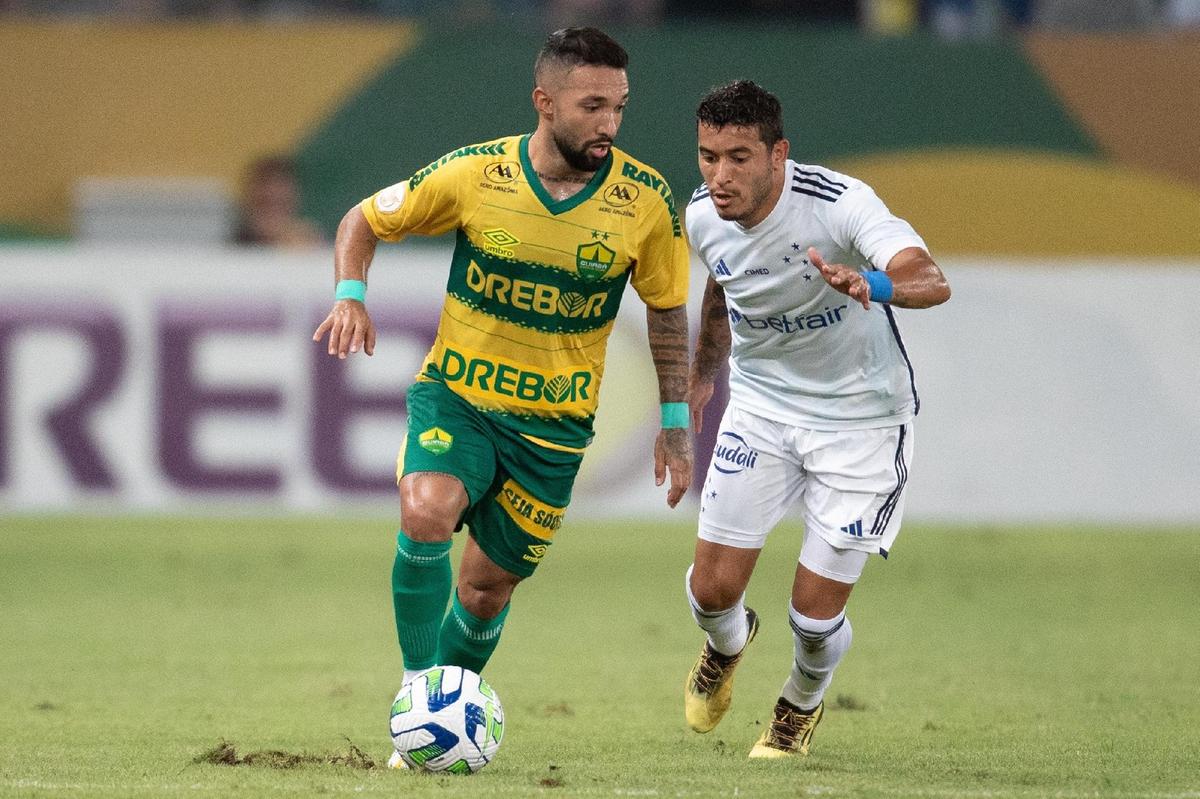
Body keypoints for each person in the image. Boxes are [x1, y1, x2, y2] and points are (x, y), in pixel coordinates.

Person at [311, 26, 693, 762]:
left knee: (486, 590)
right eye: (592, 106)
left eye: (619, 107)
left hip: (552, 432)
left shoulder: (645, 200)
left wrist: (674, 418)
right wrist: (351, 292)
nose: (609, 124)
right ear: (544, 102)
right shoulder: (475, 174)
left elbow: (667, 307)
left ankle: (433, 719)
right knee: (425, 510)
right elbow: (363, 218)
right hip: (459, 396)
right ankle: (419, 696)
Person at [680, 80, 950, 759]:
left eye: (739, 157)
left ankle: (798, 703)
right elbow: (723, 281)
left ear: (780, 154)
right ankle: (728, 644)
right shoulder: (702, 215)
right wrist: (702, 378)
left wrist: (875, 283)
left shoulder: (839, 205)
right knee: (711, 591)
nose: (721, 175)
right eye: (709, 156)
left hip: (861, 421)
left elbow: (931, 276)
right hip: (763, 408)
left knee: (813, 614)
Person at [233, 154, 323, 248]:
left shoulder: (313, 248)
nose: (271, 217)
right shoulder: (225, 242)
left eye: (281, 205)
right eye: (264, 204)